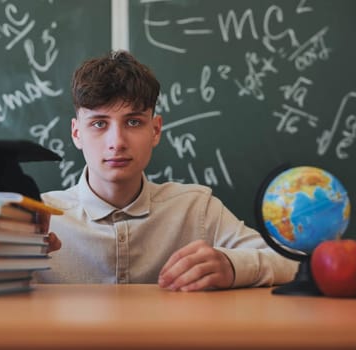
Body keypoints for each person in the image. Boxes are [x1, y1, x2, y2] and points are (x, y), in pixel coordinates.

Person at [36, 50, 297, 291]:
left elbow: (294, 262)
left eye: (134, 121)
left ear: (156, 130)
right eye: (99, 123)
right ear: (76, 133)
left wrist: (232, 266)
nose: (116, 142)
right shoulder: (40, 218)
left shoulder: (197, 210)